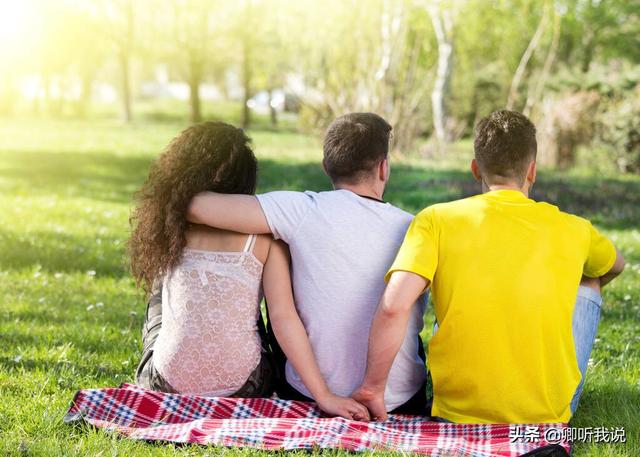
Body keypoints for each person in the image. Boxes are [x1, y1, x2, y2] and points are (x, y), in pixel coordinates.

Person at [352, 110, 625, 424]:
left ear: (474, 169)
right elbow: (616, 265)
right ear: (532, 171)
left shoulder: (435, 220)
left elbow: (393, 306)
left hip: (456, 414)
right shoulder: (575, 229)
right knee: (589, 280)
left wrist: (373, 388)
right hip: (545, 417)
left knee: (453, 288)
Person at [186, 113, 428, 415]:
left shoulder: (300, 210)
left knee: (280, 261)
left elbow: (194, 206)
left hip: (307, 395)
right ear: (383, 168)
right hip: (400, 401)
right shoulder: (415, 228)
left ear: (326, 167)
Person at [130, 121, 367, 420]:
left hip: (166, 383)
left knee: (159, 298)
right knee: (253, 312)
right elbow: (283, 318)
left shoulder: (172, 228)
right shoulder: (266, 239)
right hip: (245, 387)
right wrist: (325, 396)